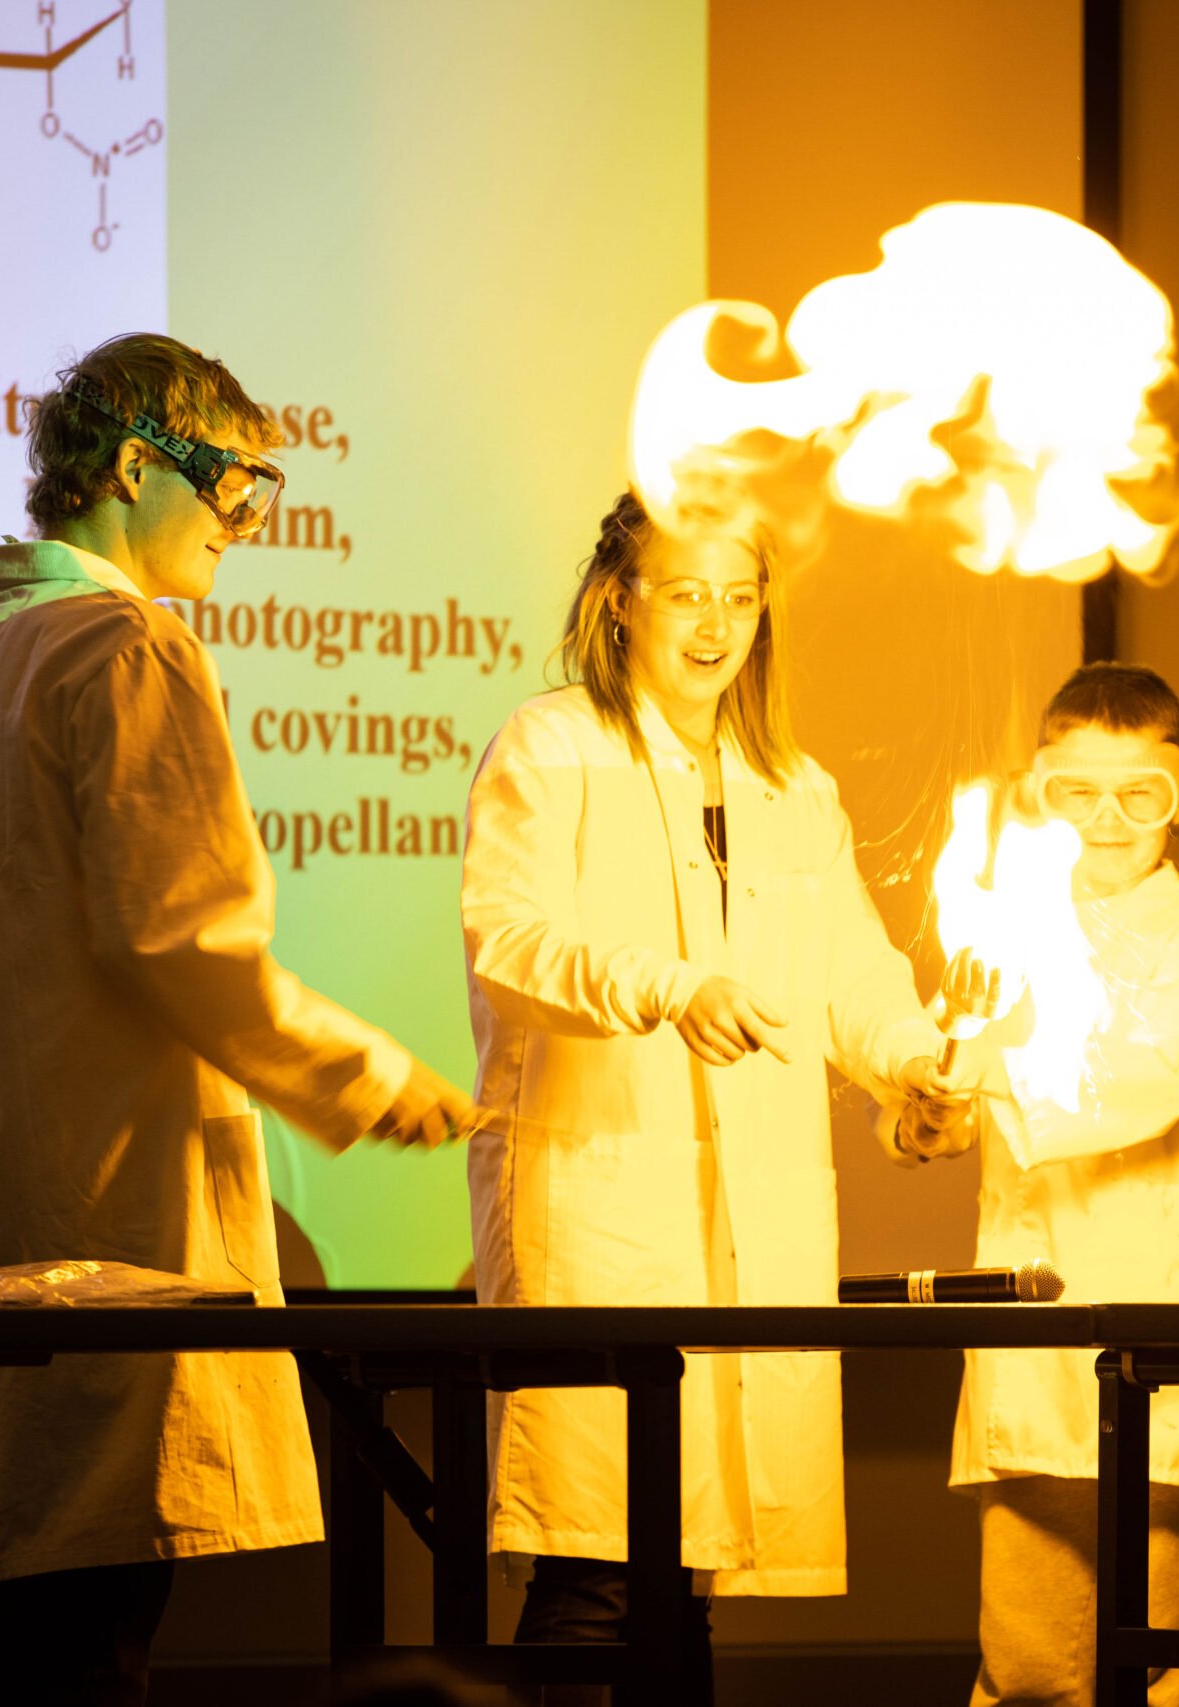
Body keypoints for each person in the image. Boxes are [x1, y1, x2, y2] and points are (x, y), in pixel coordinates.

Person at [0, 331, 477, 1705]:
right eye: (235, 489)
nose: (247, 528)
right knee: (81, 1640)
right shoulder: (126, 646)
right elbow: (183, 935)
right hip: (104, 1229)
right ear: (134, 466)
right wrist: (369, 1077)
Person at [459, 489, 970, 1696]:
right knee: (595, 1566)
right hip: (602, 1208)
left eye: (739, 597)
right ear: (618, 599)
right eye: (687, 593)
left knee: (686, 1569)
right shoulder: (551, 745)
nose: (715, 624)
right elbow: (509, 943)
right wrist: (667, 985)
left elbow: (853, 973)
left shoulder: (795, 786)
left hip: (748, 1222)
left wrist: (913, 1066)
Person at [901, 662, 1179, 1707]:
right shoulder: (999, 939)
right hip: (1031, 1372)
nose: (1108, 821)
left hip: (1170, 1354)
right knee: (1027, 1677)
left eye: (1138, 794)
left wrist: (976, 1069)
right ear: (1037, 791)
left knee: (1170, 1684)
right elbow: (939, 1107)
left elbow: (1127, 1088)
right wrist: (931, 1099)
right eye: (1078, 794)